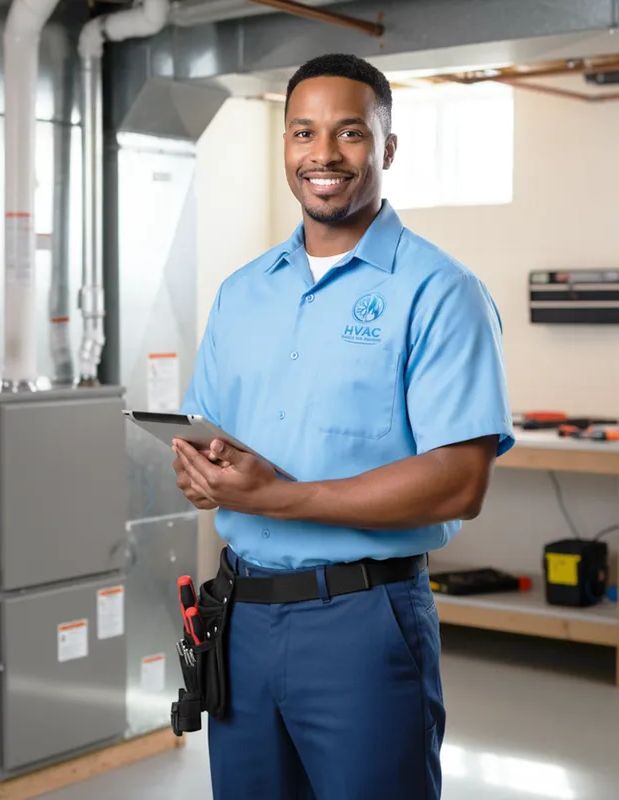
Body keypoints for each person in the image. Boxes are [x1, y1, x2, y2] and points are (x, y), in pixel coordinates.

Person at [172, 52, 514, 800]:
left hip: (364, 620)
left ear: (386, 148)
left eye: (350, 132)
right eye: (303, 132)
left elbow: (460, 481)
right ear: (286, 147)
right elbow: (210, 437)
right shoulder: (242, 294)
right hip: (243, 618)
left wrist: (274, 497)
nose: (323, 154)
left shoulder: (439, 292)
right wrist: (203, 473)